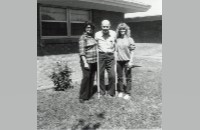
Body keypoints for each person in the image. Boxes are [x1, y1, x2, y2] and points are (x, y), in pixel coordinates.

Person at [95, 20, 116, 97]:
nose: (105, 28)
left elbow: (117, 43)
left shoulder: (114, 34)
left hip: (110, 55)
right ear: (101, 26)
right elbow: (95, 44)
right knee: (100, 74)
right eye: (104, 26)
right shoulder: (97, 35)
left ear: (109, 26)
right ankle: (102, 91)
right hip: (101, 55)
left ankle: (111, 92)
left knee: (112, 75)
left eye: (107, 26)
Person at [115, 23, 136, 100]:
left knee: (128, 78)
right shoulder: (117, 39)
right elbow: (115, 51)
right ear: (119, 30)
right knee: (120, 77)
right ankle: (121, 91)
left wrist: (131, 61)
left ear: (126, 30)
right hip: (119, 61)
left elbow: (132, 51)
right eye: (120, 29)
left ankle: (128, 93)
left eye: (123, 29)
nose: (122, 30)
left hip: (127, 61)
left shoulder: (130, 39)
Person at [79, 22, 97, 103]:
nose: (89, 29)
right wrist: (85, 63)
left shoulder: (92, 37)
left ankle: (89, 95)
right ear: (84, 28)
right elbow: (82, 52)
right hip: (87, 61)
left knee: (91, 77)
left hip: (94, 61)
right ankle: (82, 96)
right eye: (87, 27)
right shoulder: (83, 38)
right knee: (86, 77)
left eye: (90, 28)